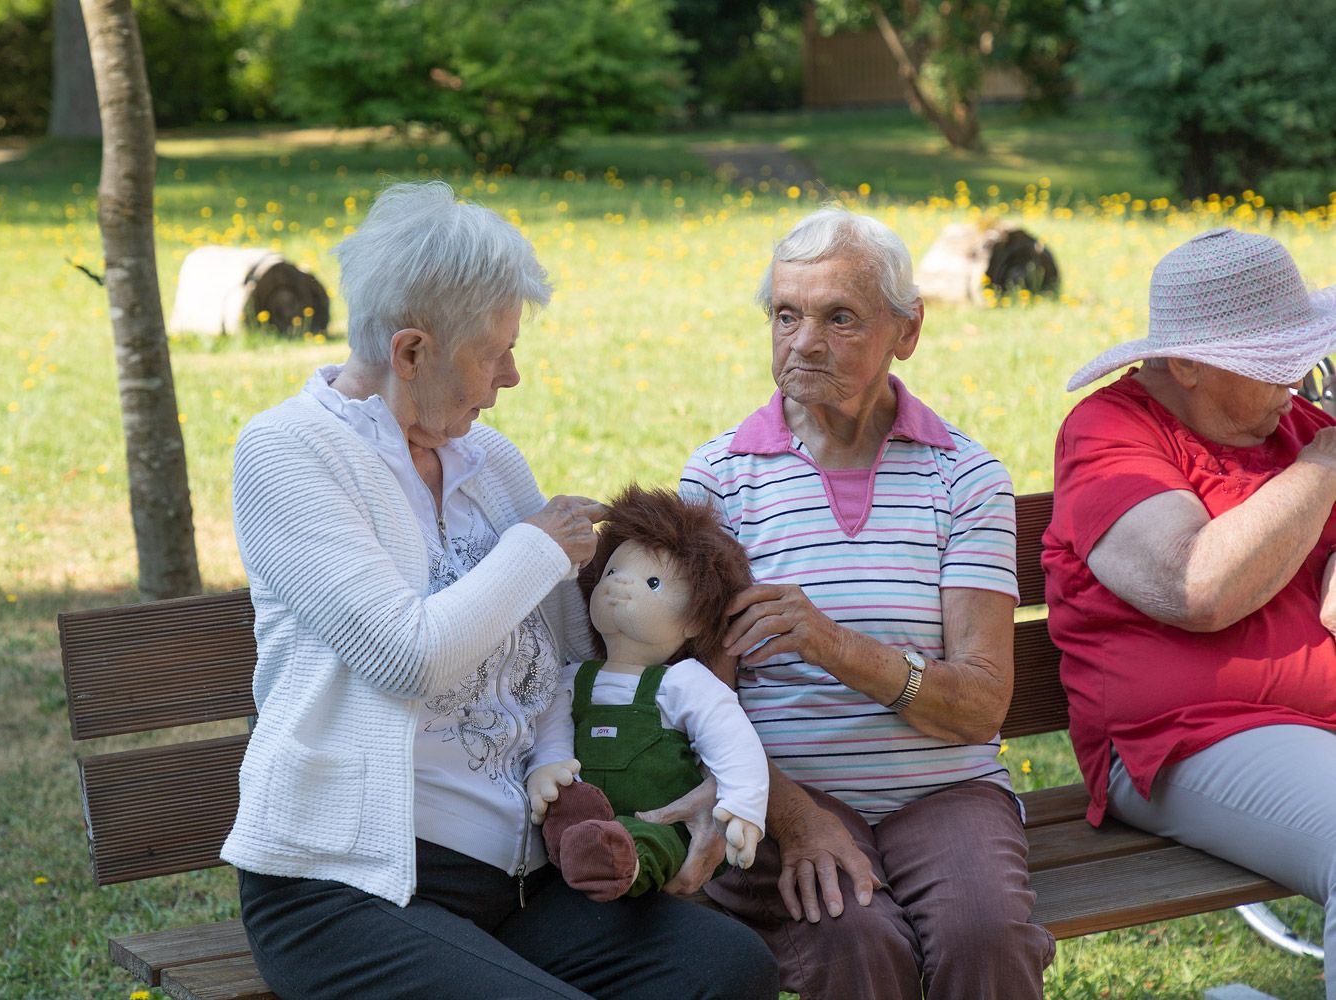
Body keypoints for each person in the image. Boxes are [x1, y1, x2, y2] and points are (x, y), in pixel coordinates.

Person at [220, 180, 779, 1000]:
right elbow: (406, 657)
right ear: (411, 352)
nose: (511, 376)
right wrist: (535, 548)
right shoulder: (289, 453)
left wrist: (704, 769)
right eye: (494, 352)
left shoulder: (490, 464)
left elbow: (585, 649)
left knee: (729, 968)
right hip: (350, 890)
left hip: (520, 883)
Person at [678, 207, 1055, 1000]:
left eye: (839, 318)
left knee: (984, 936)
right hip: (786, 789)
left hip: (946, 788)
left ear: (905, 331)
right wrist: (794, 818)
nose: (804, 342)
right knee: (854, 935)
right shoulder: (721, 481)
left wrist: (832, 644)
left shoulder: (964, 479)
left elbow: (980, 705)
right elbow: (701, 704)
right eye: (787, 315)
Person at [1043, 226, 1336, 996]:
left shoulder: (1299, 430)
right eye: (1274, 361)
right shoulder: (1110, 433)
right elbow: (1193, 588)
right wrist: (1326, 468)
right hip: (1184, 739)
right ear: (1187, 364)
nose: (1298, 378)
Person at [527, 485, 768, 902]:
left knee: (653, 841)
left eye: (652, 582)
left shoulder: (682, 683)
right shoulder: (574, 678)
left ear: (695, 620)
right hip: (588, 810)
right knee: (570, 813)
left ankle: (624, 864)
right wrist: (548, 768)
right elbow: (552, 731)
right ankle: (582, 853)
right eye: (612, 573)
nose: (618, 585)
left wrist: (744, 806)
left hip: (661, 821)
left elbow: (734, 742)